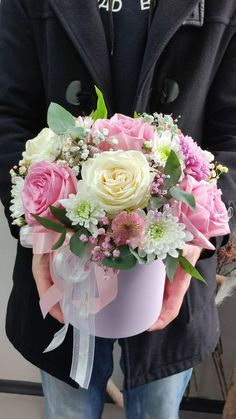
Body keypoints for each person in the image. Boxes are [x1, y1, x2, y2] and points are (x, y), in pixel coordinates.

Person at [0, 0, 236, 418]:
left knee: (158, 410)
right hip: (58, 266)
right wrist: (34, 226)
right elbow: (9, 116)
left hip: (174, 274)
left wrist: (199, 235)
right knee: (68, 408)